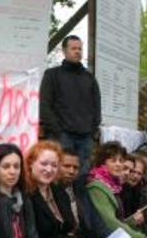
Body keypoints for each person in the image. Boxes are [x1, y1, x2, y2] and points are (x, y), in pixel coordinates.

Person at [39, 35, 101, 174]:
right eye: (73, 48)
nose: (77, 51)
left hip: (85, 138)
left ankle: (78, 196)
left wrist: (92, 130)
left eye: (80, 48)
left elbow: (97, 107)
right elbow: (44, 105)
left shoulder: (89, 78)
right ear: (64, 51)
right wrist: (58, 131)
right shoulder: (52, 75)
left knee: (81, 176)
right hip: (61, 136)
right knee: (58, 174)